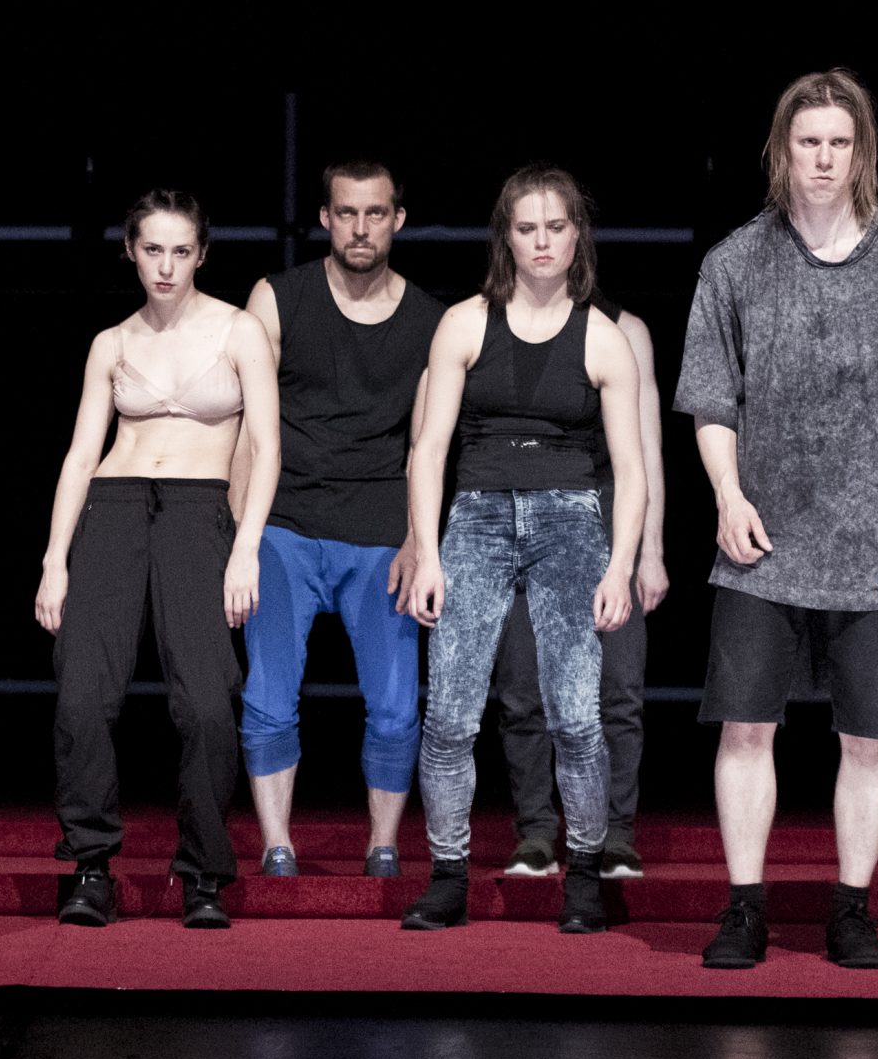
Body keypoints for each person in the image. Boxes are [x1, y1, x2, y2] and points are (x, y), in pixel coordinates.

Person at [674, 69, 878, 970]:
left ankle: (852, 907)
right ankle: (743, 907)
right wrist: (727, 494)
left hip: (877, 540)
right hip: (761, 534)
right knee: (745, 726)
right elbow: (710, 398)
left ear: (861, 152)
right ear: (782, 148)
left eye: (840, 142)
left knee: (869, 735)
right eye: (809, 141)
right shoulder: (735, 262)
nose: (824, 158)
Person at [399, 166, 645, 936]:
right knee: (449, 716)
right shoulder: (465, 323)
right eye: (528, 227)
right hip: (476, 514)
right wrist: (428, 552)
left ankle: (584, 875)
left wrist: (621, 565)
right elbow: (427, 449)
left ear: (577, 236)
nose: (542, 241)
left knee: (576, 717)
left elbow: (632, 468)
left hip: (570, 518)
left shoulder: (603, 337)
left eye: (556, 227)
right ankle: (448, 876)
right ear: (507, 236)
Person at [37, 189, 278, 929]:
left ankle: (203, 872)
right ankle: (90, 866)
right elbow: (80, 455)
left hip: (201, 514)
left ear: (201, 254)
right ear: (131, 252)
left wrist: (246, 548)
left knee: (206, 700)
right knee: (82, 696)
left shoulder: (239, 331)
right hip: (112, 510)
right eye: (152, 250)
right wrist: (53, 560)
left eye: (180, 250)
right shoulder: (112, 342)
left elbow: (266, 446)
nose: (166, 266)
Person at [235, 160, 442, 879]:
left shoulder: (429, 320)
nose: (360, 228)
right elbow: (249, 433)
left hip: (380, 529)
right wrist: (239, 541)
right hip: (285, 523)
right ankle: (277, 845)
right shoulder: (277, 298)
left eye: (375, 213)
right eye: (346, 212)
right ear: (325, 217)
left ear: (398, 219)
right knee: (268, 693)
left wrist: (419, 541)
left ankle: (383, 845)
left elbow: (425, 446)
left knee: (396, 704)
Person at [489, 293, 667, 879]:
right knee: (522, 685)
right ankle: (536, 831)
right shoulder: (491, 322)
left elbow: (647, 449)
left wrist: (650, 551)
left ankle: (614, 834)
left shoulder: (624, 329)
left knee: (617, 688)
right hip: (522, 508)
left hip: (609, 513)